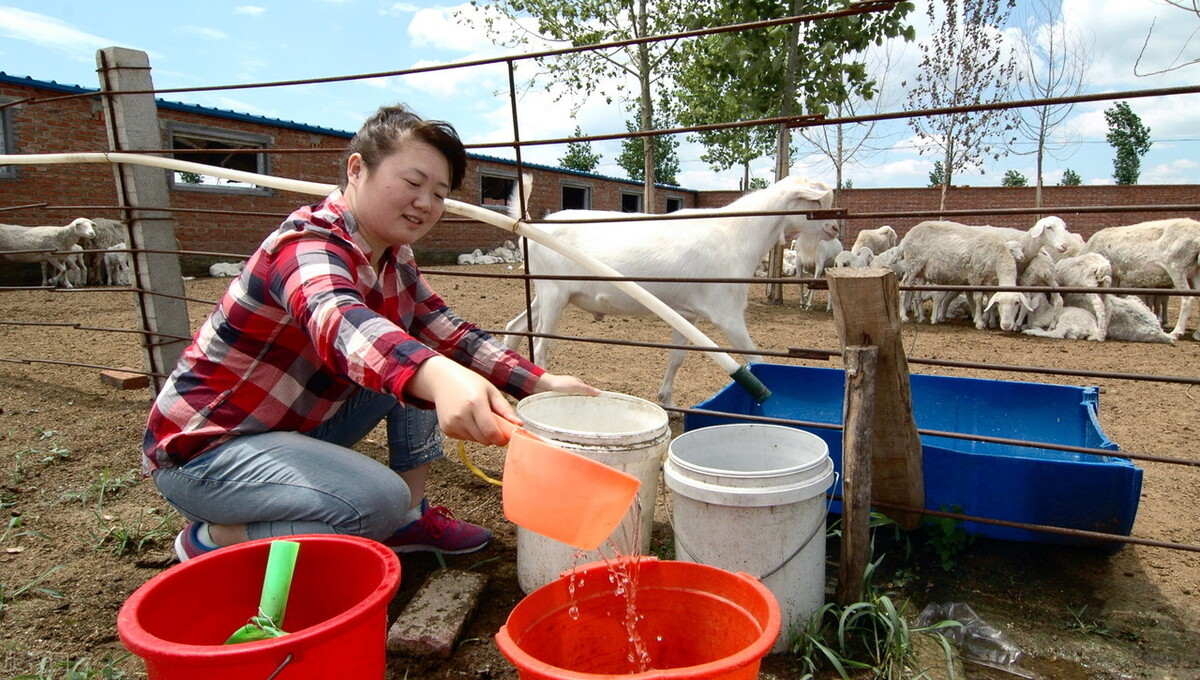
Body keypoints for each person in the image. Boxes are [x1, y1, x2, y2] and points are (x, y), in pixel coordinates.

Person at [143, 103, 598, 562]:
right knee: (374, 501)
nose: (427, 203)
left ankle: (410, 517)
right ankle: (212, 541)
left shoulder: (393, 257)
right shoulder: (304, 245)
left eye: (439, 193)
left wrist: (542, 383)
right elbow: (336, 319)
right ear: (356, 169)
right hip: (209, 449)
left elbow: (450, 333)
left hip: (293, 426)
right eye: (413, 183)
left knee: (415, 354)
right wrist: (438, 375)